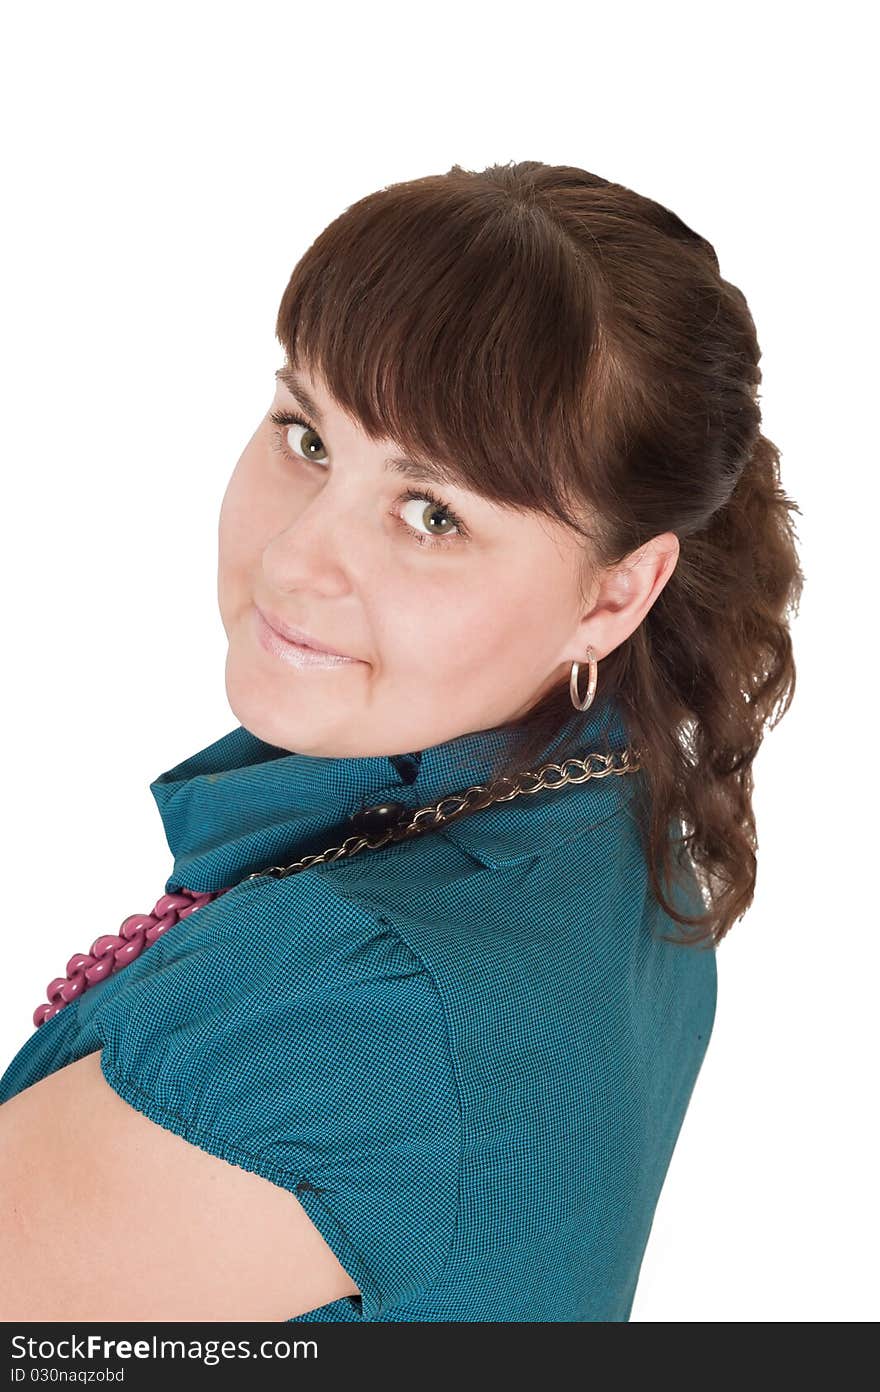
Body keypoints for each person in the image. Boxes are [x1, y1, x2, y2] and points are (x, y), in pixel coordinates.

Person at [0, 160, 803, 1323]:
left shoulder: (343, 1015)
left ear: (613, 595)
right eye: (307, 437)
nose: (292, 560)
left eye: (433, 515)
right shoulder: (614, 805)